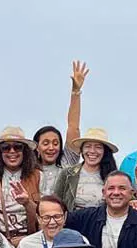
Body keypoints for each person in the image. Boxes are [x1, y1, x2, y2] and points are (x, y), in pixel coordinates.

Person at [0, 126, 42, 244]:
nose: (12, 151)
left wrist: (27, 202)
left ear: (25, 151)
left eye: (18, 147)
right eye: (6, 148)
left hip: (30, 240)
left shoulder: (38, 176)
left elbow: (45, 215)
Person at [34, 60, 88, 195]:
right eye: (45, 143)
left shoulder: (66, 163)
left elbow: (73, 127)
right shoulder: (27, 169)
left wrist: (76, 92)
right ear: (36, 146)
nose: (51, 148)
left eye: (55, 143)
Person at [15, 196, 103, 248]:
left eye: (57, 217)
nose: (52, 222)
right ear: (39, 219)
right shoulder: (25, 245)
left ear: (65, 217)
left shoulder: (80, 241)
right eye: (46, 217)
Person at [53, 127, 118, 212]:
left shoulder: (114, 176)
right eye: (88, 146)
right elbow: (55, 202)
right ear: (82, 150)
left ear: (105, 151)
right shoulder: (67, 173)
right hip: (72, 222)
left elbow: (128, 197)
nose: (92, 151)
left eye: (98, 147)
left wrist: (133, 201)